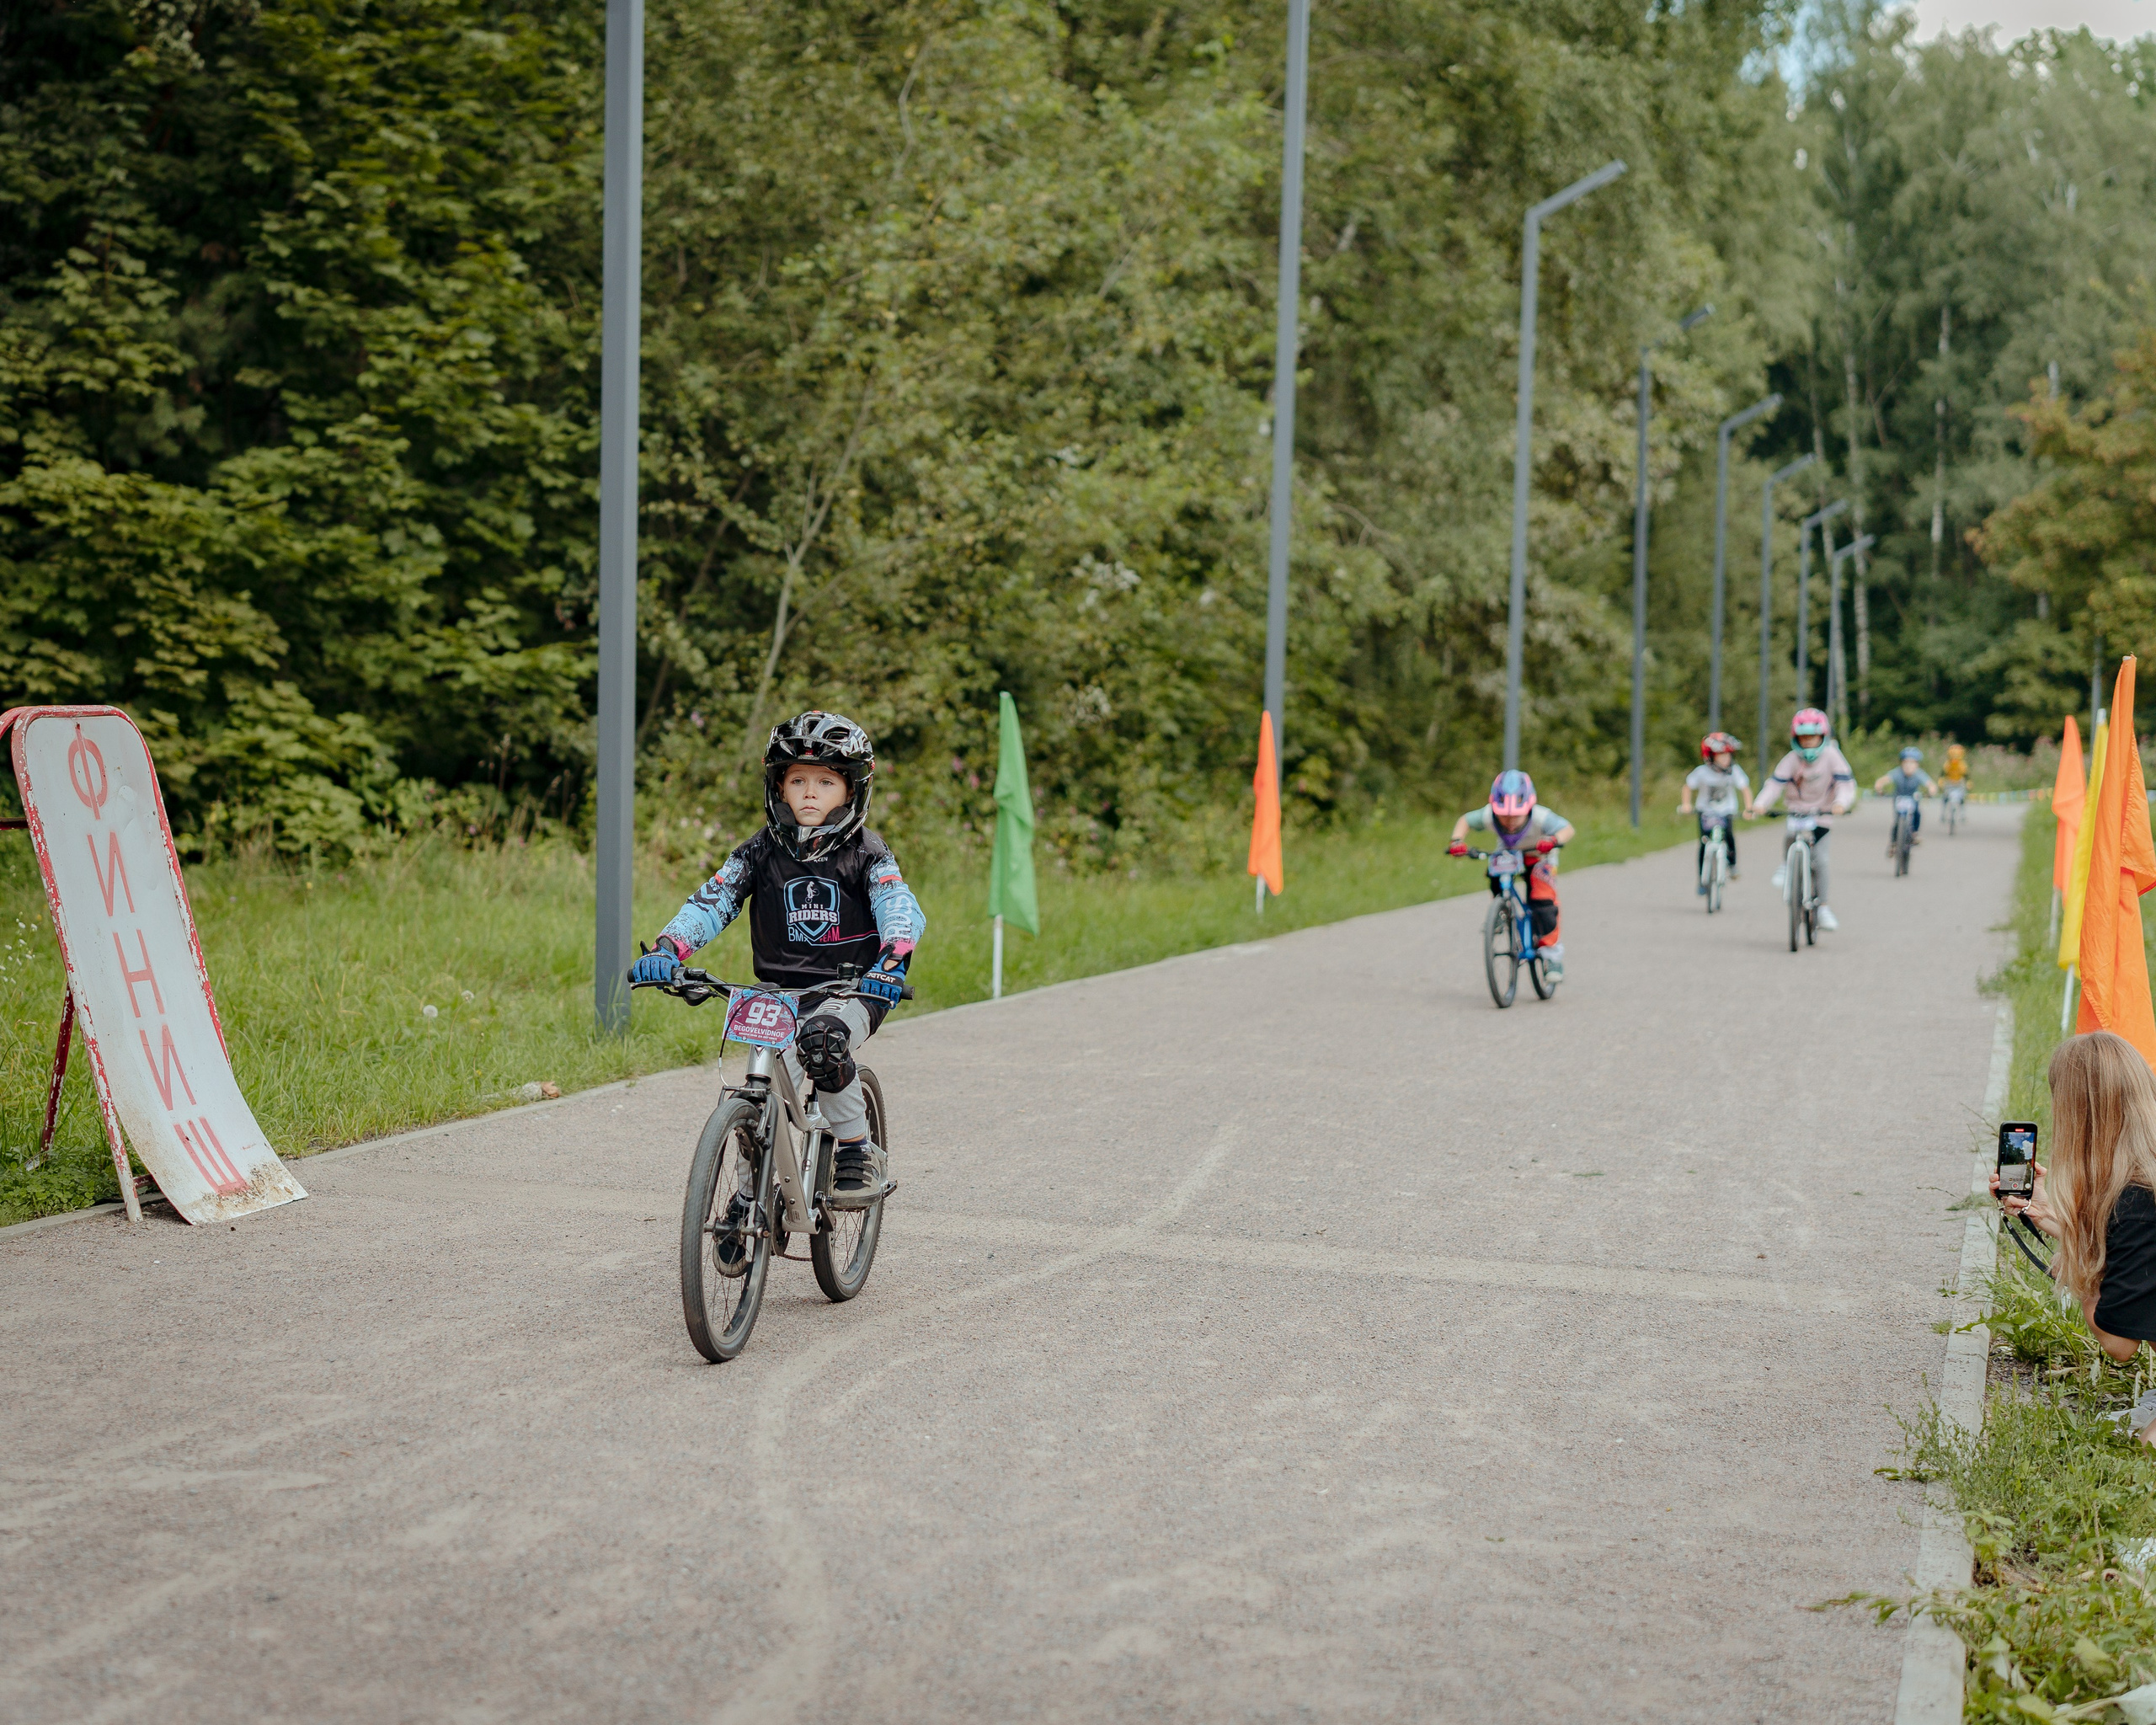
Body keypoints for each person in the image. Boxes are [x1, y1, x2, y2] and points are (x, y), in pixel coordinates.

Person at [627, 710, 926, 1242]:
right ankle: (748, 1199)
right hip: (777, 994)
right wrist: (669, 948)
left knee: (825, 1043)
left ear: (851, 790)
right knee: (756, 1090)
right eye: (798, 781)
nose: (810, 793)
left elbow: (899, 909)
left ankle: (856, 1150)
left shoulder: (868, 853)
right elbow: (712, 901)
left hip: (854, 987)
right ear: (778, 788)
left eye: (826, 782)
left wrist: (892, 960)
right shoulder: (759, 851)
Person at [1993, 1032, 2156, 1441]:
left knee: (2146, 1451)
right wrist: (2058, 1218)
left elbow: (2119, 1342)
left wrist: (2079, 1265)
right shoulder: (2141, 1183)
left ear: (2077, 1114)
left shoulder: (2135, 1205)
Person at [1448, 770, 1576, 980]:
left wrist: (1553, 840)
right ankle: (1501, 911)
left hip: (1540, 856)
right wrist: (1457, 841)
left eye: (1516, 815)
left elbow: (1567, 829)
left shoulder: (1541, 817)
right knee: (1495, 873)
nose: (1509, 821)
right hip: (1509, 854)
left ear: (1528, 807)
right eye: (1503, 815)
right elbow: (1466, 821)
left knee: (1543, 901)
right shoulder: (1489, 815)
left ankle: (1552, 955)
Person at [1750, 708, 1855, 932]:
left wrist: (1840, 804)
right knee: (1790, 836)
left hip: (1822, 814)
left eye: (1812, 737)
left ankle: (1824, 907)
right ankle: (1786, 866)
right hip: (1797, 812)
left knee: (1821, 860)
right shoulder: (1791, 759)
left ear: (1822, 736)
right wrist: (1760, 805)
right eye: (1803, 737)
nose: (1808, 742)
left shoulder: (1832, 756)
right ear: (1796, 738)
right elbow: (1774, 785)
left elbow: (1846, 785)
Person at [1678, 731, 1752, 891]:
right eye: (1721, 755)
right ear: (1710, 756)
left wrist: (1748, 808)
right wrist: (1686, 805)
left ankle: (1732, 865)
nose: (1726, 759)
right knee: (1704, 844)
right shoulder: (1701, 772)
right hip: (1706, 812)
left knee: (1729, 836)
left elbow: (1744, 788)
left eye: (1728, 755)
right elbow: (1688, 786)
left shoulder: (1734, 771)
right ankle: (1702, 880)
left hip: (1726, 811)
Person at [1873, 746, 1938, 852]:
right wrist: (1879, 787)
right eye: (1906, 763)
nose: (1909, 766)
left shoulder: (1919, 774)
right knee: (1897, 821)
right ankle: (1894, 842)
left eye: (1912, 763)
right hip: (1899, 799)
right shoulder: (1897, 773)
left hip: (1913, 799)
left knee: (1917, 813)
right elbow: (1883, 780)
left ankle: (1914, 833)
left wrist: (1931, 791)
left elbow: (1930, 784)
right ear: (1901, 764)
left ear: (1917, 765)